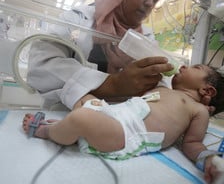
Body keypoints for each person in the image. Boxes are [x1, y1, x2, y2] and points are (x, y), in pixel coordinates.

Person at [22, 64, 224, 183]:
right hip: (114, 114)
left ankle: (49, 131)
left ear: (208, 91)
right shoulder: (167, 89)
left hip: (128, 133)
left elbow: (193, 143)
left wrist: (208, 159)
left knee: (80, 118)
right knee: (86, 100)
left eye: (195, 67)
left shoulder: (198, 110)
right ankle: (73, 130)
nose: (183, 67)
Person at [27, 0, 174, 110]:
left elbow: (161, 82)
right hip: (66, 116)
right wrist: (113, 84)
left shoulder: (147, 37)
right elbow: (41, 67)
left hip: (122, 121)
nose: (150, 3)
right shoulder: (77, 19)